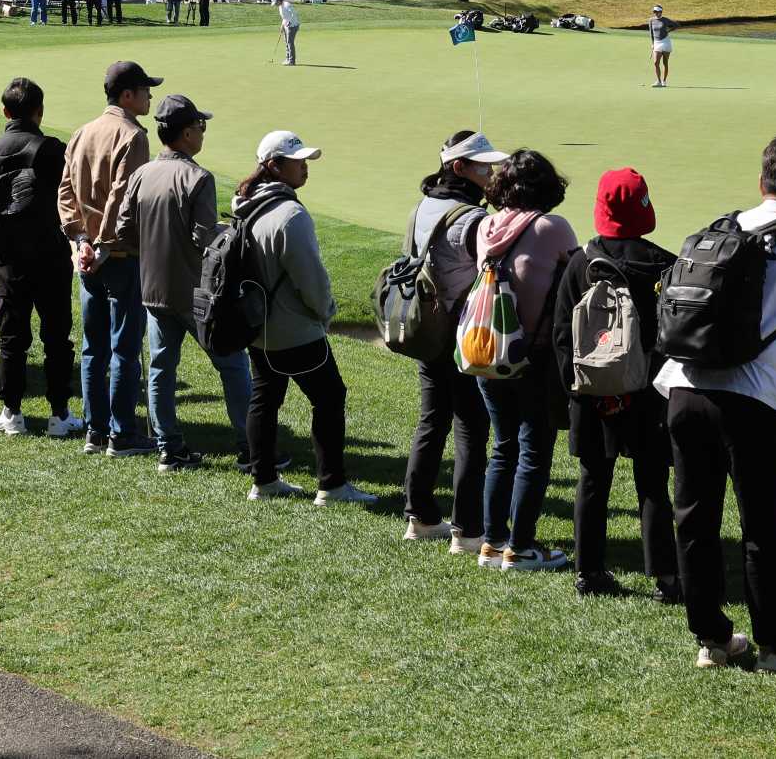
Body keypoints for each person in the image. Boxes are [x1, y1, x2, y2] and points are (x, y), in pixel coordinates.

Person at [656, 134, 776, 674]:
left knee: (694, 518)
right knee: (763, 526)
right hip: (754, 401)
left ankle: (713, 638)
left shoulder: (721, 228)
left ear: (761, 182)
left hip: (685, 389)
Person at [551, 166, 680, 599]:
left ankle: (589, 572)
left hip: (590, 393)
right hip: (645, 393)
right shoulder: (663, 265)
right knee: (652, 484)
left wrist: (578, 389)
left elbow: (561, 337)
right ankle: (664, 576)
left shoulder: (579, 263)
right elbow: (669, 338)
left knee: (592, 480)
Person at [236, 130, 374, 507]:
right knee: (330, 397)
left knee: (264, 399)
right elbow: (311, 280)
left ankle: (263, 480)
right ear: (274, 166)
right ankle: (332, 485)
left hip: (259, 329)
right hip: (295, 331)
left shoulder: (246, 205)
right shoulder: (290, 214)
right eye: (298, 162)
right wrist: (325, 312)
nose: (305, 167)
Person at [118, 93, 247, 473]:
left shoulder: (141, 174)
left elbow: (124, 230)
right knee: (233, 365)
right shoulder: (198, 177)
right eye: (200, 127)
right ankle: (250, 447)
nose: (203, 133)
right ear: (187, 133)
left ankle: (169, 449)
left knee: (161, 369)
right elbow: (206, 239)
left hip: (153, 288)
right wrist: (232, 232)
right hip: (196, 293)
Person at [471, 149, 581, 571]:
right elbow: (577, 279)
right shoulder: (552, 226)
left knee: (503, 447)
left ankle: (492, 543)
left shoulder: (486, 225)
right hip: (533, 356)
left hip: (490, 351)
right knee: (534, 450)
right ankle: (520, 548)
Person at [399, 132, 500, 547]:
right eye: (482, 167)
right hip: (462, 337)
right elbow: (489, 277)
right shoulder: (472, 219)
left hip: (428, 333)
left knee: (432, 420)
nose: (491, 173)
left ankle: (420, 517)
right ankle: (468, 529)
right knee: (471, 429)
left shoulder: (423, 206)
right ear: (459, 168)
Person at [58, 60, 158, 456]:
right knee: (123, 349)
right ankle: (122, 433)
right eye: (145, 90)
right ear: (127, 95)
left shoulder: (82, 132)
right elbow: (123, 197)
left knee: (92, 347)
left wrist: (80, 240)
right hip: (117, 254)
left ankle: (95, 430)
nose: (150, 96)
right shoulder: (133, 136)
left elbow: (65, 192)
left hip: (86, 255)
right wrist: (100, 245)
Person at [0, 78, 79, 437]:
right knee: (56, 338)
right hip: (50, 257)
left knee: (11, 337)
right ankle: (59, 413)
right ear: (40, 111)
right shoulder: (54, 150)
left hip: (7, 260)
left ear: (5, 112)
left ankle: (12, 412)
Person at [647, 5, 675, 89]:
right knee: (656, 62)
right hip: (657, 42)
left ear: (661, 12)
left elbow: (676, 25)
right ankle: (658, 81)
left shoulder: (665, 20)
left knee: (665, 63)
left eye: (657, 11)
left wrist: (668, 30)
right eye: (654, 11)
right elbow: (651, 33)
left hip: (666, 42)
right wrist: (652, 44)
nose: (655, 13)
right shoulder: (651, 20)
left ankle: (664, 81)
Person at [275, 0, 300, 67]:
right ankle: (287, 59)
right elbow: (284, 17)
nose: (275, 4)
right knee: (286, 42)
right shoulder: (280, 6)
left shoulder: (287, 5)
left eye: (276, 3)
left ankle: (292, 61)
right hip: (286, 25)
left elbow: (293, 14)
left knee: (290, 43)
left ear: (279, 0)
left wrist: (290, 21)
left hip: (293, 26)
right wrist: (282, 25)